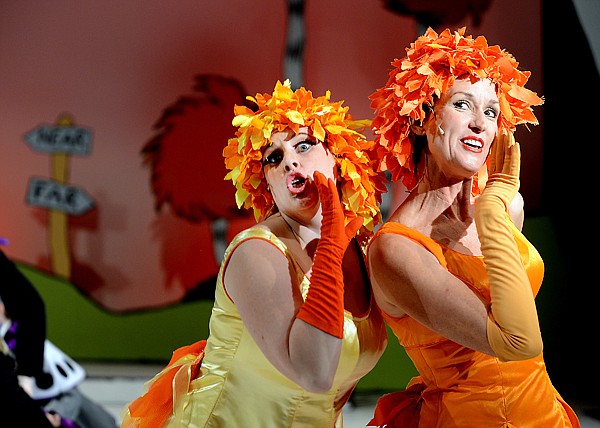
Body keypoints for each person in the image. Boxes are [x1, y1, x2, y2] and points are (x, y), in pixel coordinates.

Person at [122, 79, 389, 427]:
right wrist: (330, 244)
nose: (290, 164)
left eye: (304, 146)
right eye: (274, 158)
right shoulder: (256, 252)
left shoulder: (365, 249)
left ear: (339, 158)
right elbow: (315, 374)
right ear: (268, 186)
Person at [365, 27, 580, 427]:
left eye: (492, 111)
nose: (482, 124)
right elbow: (518, 342)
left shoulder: (506, 207)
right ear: (419, 121)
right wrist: (493, 216)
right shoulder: (396, 248)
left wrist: (495, 210)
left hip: (546, 416)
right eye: (463, 104)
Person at [0, 247, 118, 428]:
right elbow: (30, 306)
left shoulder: (16, 333)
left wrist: (26, 377)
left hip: (50, 397)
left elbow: (30, 306)